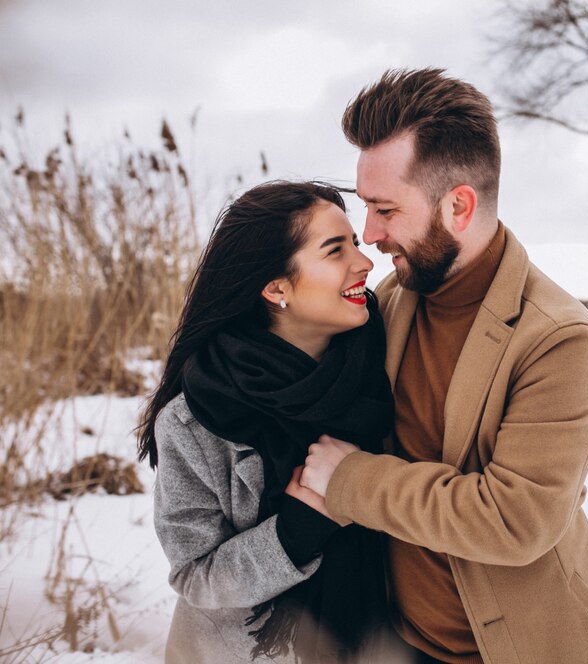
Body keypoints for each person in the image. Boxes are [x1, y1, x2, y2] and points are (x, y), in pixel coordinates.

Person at [300, 69, 588, 664]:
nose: (369, 234)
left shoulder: (558, 338)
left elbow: (515, 519)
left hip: (520, 649)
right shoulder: (392, 300)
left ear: (458, 205)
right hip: (396, 642)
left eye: (385, 210)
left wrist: (351, 482)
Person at [136, 181, 414, 663]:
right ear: (276, 287)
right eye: (335, 250)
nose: (365, 261)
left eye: (354, 242)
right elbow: (193, 575)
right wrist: (293, 535)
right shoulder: (195, 420)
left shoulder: (383, 361)